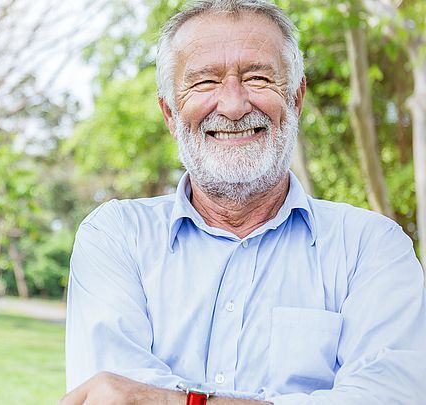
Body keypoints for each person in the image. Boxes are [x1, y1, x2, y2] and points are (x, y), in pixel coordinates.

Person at [60, 1, 426, 404]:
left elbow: (391, 397)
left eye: (258, 78)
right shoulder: (115, 236)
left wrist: (170, 399)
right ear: (169, 113)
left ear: (296, 98)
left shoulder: (372, 247)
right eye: (204, 83)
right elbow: (109, 396)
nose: (233, 105)